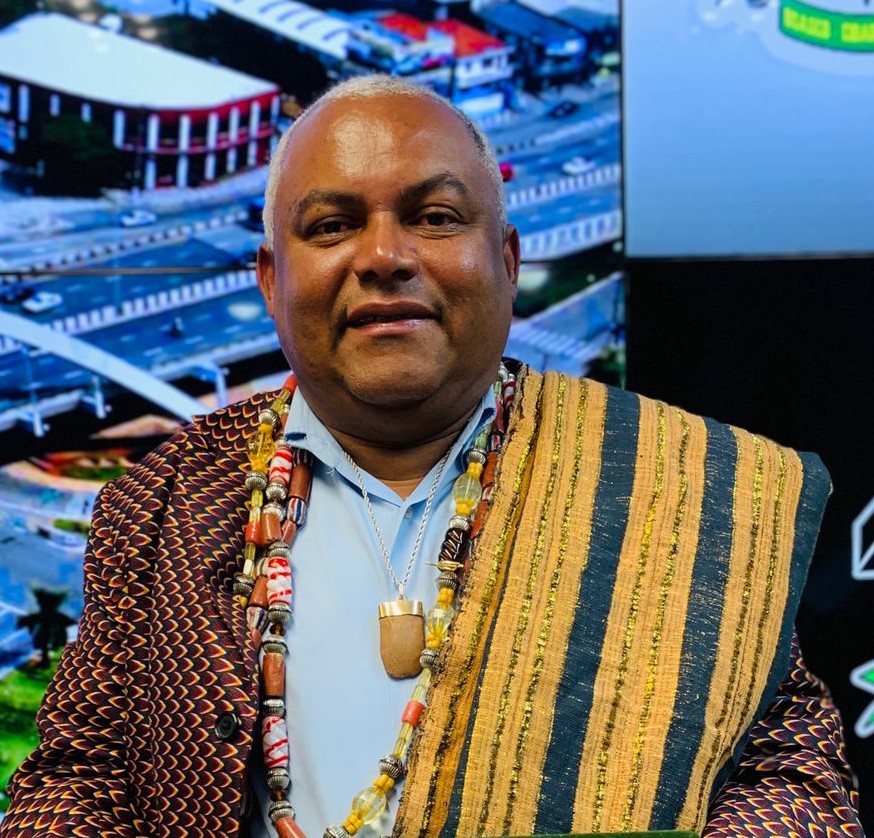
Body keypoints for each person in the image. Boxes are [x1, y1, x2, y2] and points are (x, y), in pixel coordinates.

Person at [1, 76, 863, 838]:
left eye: (435, 218)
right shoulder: (162, 504)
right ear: (270, 279)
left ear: (508, 261)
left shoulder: (672, 487)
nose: (384, 257)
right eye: (332, 225)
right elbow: (82, 773)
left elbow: (790, 774)